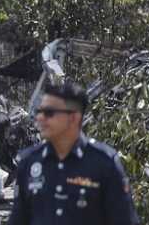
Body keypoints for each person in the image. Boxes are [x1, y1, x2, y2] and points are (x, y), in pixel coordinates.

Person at [9, 82, 140, 224]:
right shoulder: (29, 161)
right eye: (39, 112)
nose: (40, 118)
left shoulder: (104, 163)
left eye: (49, 113)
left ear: (73, 118)